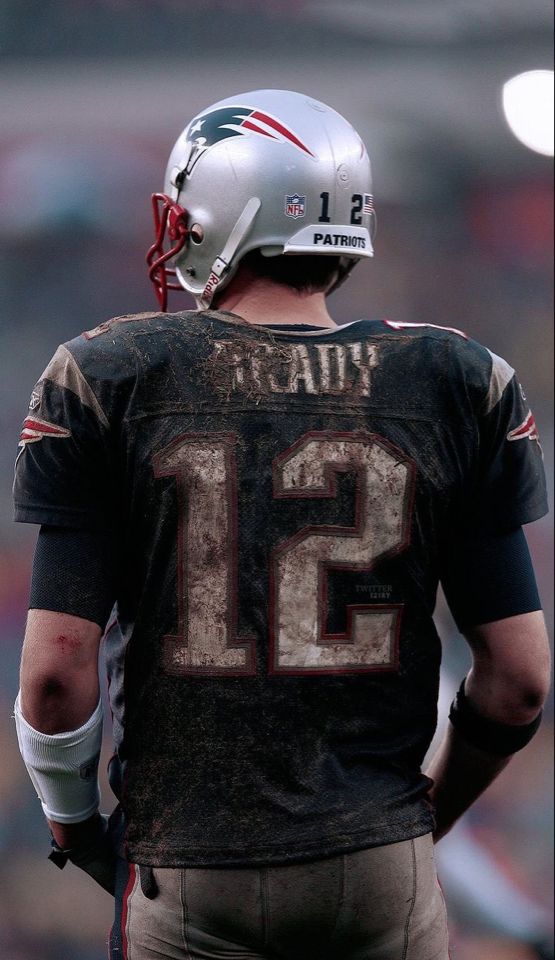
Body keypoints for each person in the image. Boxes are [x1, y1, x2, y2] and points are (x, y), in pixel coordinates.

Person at [14, 90, 550, 960]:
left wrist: (74, 830)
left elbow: (54, 679)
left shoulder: (112, 372)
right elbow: (518, 679)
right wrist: (419, 824)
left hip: (190, 870)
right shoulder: (455, 378)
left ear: (224, 213)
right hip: (380, 863)